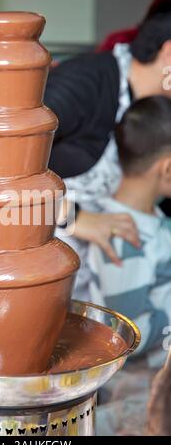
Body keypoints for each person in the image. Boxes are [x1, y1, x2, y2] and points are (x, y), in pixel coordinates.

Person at [45, 12, 171, 265]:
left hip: (91, 282)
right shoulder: (83, 82)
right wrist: (74, 218)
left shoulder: (155, 108)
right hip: (25, 269)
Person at [84, 96, 171, 355]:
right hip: (145, 387)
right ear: (167, 168)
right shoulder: (122, 237)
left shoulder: (151, 218)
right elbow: (130, 335)